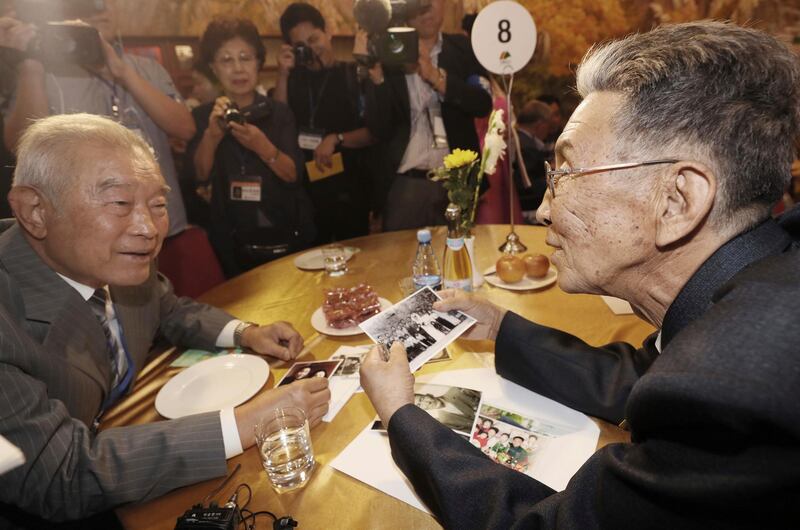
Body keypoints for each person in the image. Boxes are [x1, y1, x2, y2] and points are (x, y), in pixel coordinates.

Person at [360, 21, 800, 529]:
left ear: (678, 200)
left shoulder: (739, 397)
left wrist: (400, 416)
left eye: (565, 173)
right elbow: (647, 375)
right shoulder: (749, 294)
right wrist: (499, 327)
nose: (543, 209)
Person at [0, 114, 331, 527]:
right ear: (35, 211)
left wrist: (248, 332)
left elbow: (167, 307)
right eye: (120, 203)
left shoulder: (109, 261)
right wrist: (244, 423)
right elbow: (60, 475)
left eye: (158, 205)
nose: (148, 228)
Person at [1, 0, 191, 238]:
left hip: (162, 223)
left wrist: (122, 72)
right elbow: (20, 144)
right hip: (92, 236)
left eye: (106, 2)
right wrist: (30, 62)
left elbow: (185, 128)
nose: (100, 10)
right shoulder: (44, 74)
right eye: (88, 5)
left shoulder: (147, 69)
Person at [187, 17, 313, 276]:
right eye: (226, 60)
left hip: (285, 231)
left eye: (245, 57)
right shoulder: (202, 116)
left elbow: (293, 175)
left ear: (258, 61)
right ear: (213, 67)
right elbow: (198, 175)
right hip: (232, 239)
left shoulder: (279, 113)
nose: (238, 68)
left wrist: (262, 145)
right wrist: (212, 136)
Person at [363, 0, 492, 230]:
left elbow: (482, 103)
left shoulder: (462, 48)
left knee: (461, 260)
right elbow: (378, 128)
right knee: (402, 260)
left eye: (430, 3)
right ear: (404, 12)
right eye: (417, 6)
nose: (425, 11)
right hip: (405, 183)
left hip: (457, 181)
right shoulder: (390, 52)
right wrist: (377, 80)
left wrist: (436, 77)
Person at [274, 2, 375, 244]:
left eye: (314, 39)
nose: (311, 49)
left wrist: (336, 138)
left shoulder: (353, 75)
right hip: (308, 194)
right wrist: (283, 73)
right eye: (301, 46)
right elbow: (279, 120)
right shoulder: (294, 80)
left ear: (327, 32)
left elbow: (375, 132)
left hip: (351, 191)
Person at [515, 100, 553, 215]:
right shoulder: (525, 145)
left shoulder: (519, 139)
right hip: (528, 208)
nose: (549, 130)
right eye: (548, 125)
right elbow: (528, 184)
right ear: (540, 125)